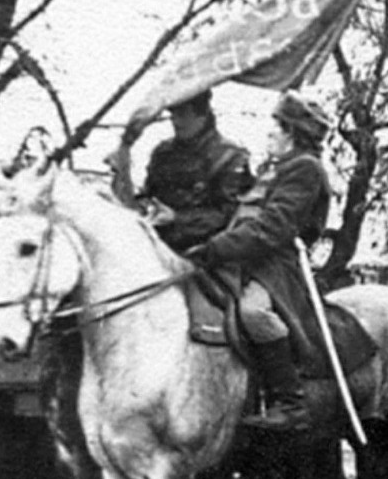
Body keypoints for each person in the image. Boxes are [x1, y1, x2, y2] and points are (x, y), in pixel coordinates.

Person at [186, 92, 335, 431]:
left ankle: (291, 401)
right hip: (244, 262)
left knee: (253, 313)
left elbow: (272, 228)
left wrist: (217, 249)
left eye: (276, 127)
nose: (269, 133)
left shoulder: (306, 169)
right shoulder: (273, 169)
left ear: (292, 133)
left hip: (276, 266)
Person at [134, 89, 254, 254]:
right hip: (156, 247)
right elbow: (148, 194)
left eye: (183, 115)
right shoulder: (162, 153)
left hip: (206, 254)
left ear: (202, 115)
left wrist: (176, 218)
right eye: (173, 115)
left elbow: (230, 216)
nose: (176, 122)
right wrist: (147, 208)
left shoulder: (230, 157)